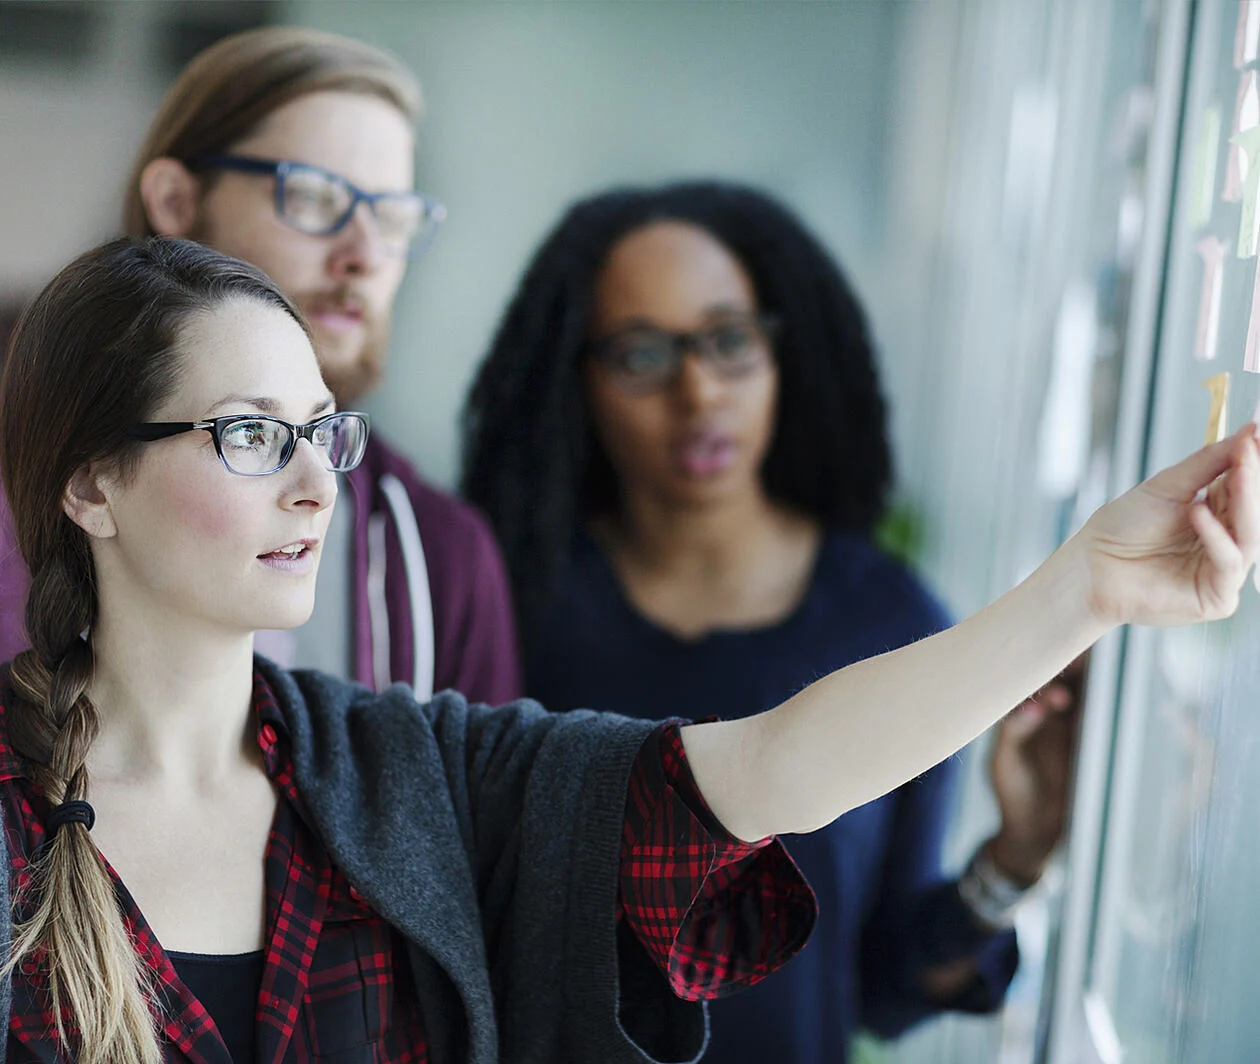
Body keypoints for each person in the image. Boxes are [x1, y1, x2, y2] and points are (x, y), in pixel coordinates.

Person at [2, 240, 1257, 1063]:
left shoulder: (412, 774)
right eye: (245, 433)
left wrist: (1083, 589)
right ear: (93, 484)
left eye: (320, 434)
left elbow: (765, 768)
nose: (314, 488)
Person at [459, 183, 1080, 1060]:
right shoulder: (507, 603)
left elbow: (883, 992)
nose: (698, 389)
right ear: (576, 379)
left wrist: (1014, 857)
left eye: (729, 341)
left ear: (784, 352)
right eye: (642, 354)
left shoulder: (890, 620)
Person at [115, 26, 518, 700]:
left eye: (392, 217)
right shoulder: (27, 490)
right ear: (176, 202)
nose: (363, 253)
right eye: (314, 198)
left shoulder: (444, 556)